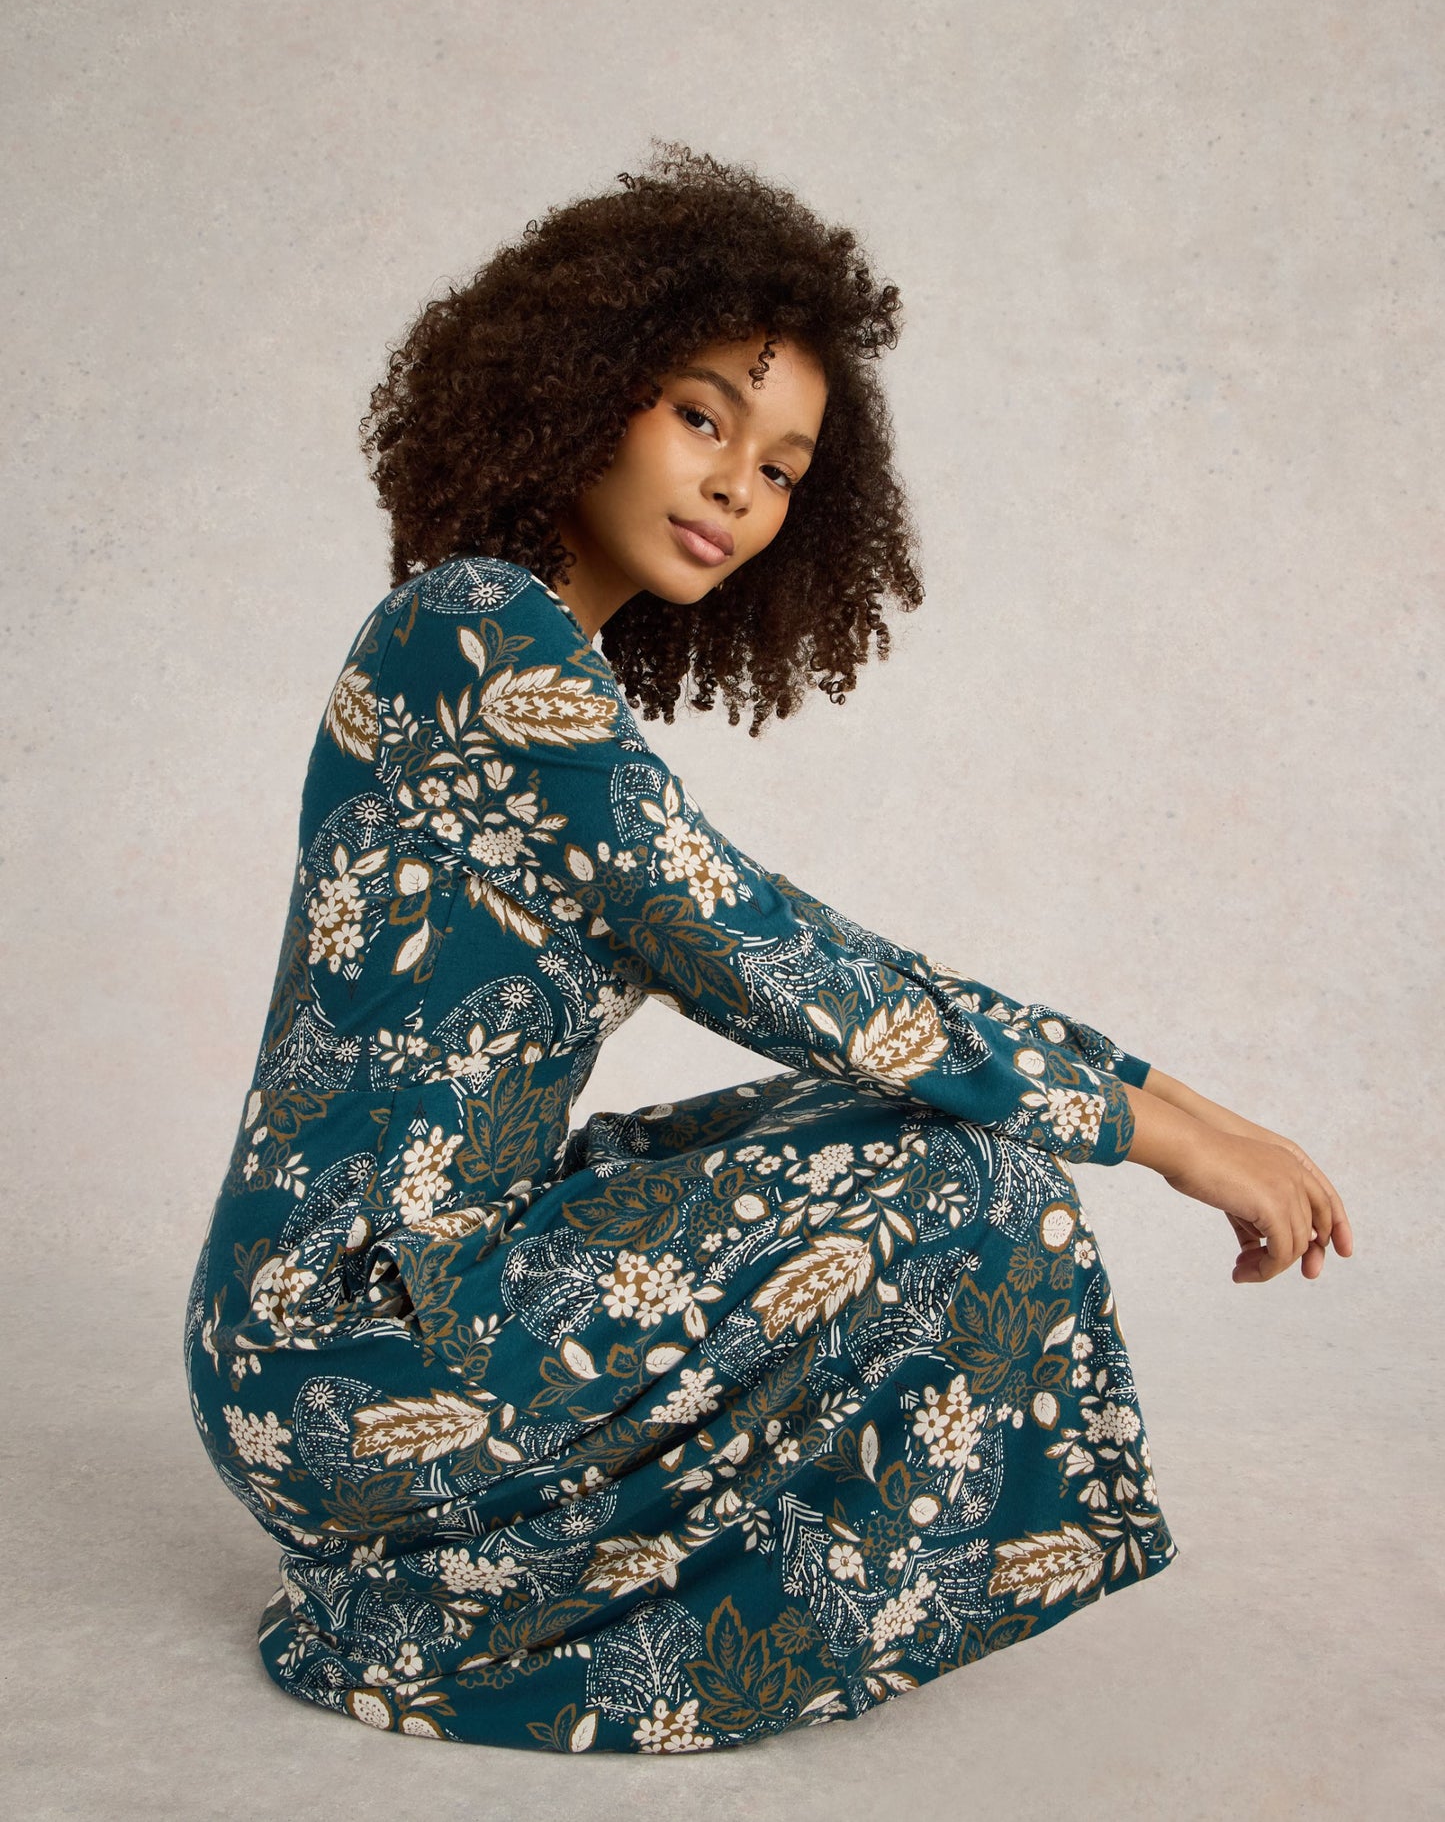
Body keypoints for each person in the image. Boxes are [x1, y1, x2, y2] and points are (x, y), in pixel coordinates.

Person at [183, 142, 1352, 1754]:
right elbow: (766, 953)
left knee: (925, 1140)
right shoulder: (470, 630)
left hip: (429, 1284)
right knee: (975, 1182)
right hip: (350, 1340)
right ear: (574, 390)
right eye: (701, 416)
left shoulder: (546, 672)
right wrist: (1156, 1128)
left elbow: (799, 955)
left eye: (786, 467)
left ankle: (501, 1592)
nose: (740, 485)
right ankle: (489, 1610)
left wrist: (1165, 1098)